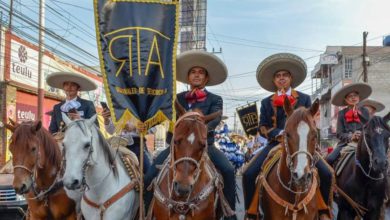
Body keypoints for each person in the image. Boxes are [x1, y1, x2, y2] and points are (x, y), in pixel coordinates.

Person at [144, 50, 237, 219]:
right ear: (188, 77)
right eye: (193, 72)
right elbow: (166, 115)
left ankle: (229, 212)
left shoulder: (216, 99)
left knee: (229, 171)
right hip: (176, 146)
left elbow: (214, 121)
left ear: (206, 78)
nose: (197, 75)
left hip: (203, 146)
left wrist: (198, 130)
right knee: (150, 174)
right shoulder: (176, 97)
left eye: (201, 72)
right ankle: (146, 213)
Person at [242, 53, 333, 220]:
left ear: (291, 78)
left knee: (327, 173)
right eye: (278, 76)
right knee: (249, 173)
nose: (281, 78)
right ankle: (251, 212)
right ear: (274, 80)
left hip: (302, 144)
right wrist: (278, 133)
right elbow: (262, 126)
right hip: (274, 144)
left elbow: (311, 122)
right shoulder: (266, 102)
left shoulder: (305, 99)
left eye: (285, 75)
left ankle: (324, 210)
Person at [326, 83, 371, 166]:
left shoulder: (365, 111)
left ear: (359, 98)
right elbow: (339, 133)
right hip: (345, 144)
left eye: (355, 95)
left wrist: (361, 134)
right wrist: (351, 136)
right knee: (329, 159)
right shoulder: (341, 113)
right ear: (345, 100)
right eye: (350, 96)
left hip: (364, 142)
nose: (353, 97)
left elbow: (369, 129)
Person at [101, 109, 151, 173]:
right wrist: (106, 120)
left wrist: (135, 127)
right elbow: (111, 131)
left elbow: (153, 129)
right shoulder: (117, 106)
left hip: (137, 145)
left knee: (149, 174)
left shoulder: (140, 106)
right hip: (119, 145)